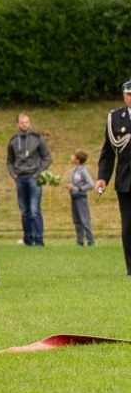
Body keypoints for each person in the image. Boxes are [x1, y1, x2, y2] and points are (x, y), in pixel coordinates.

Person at [96, 78, 131, 275]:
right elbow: (108, 151)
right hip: (126, 179)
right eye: (129, 95)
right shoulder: (116, 118)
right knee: (128, 226)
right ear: (124, 96)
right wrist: (103, 177)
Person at [7, 113, 52, 246]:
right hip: (19, 178)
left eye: (26, 122)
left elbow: (47, 158)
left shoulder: (37, 138)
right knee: (25, 211)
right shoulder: (13, 140)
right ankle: (28, 239)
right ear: (17, 124)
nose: (24, 125)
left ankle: (39, 240)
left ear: (29, 123)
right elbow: (9, 160)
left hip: (33, 178)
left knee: (34, 210)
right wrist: (12, 173)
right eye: (22, 123)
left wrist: (38, 172)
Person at [66, 149, 95, 247]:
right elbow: (72, 182)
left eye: (73, 155)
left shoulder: (83, 171)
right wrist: (69, 187)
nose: (71, 157)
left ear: (78, 160)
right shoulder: (73, 170)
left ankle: (91, 241)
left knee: (84, 220)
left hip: (81, 198)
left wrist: (78, 188)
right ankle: (80, 241)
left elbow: (90, 184)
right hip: (73, 197)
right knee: (76, 220)